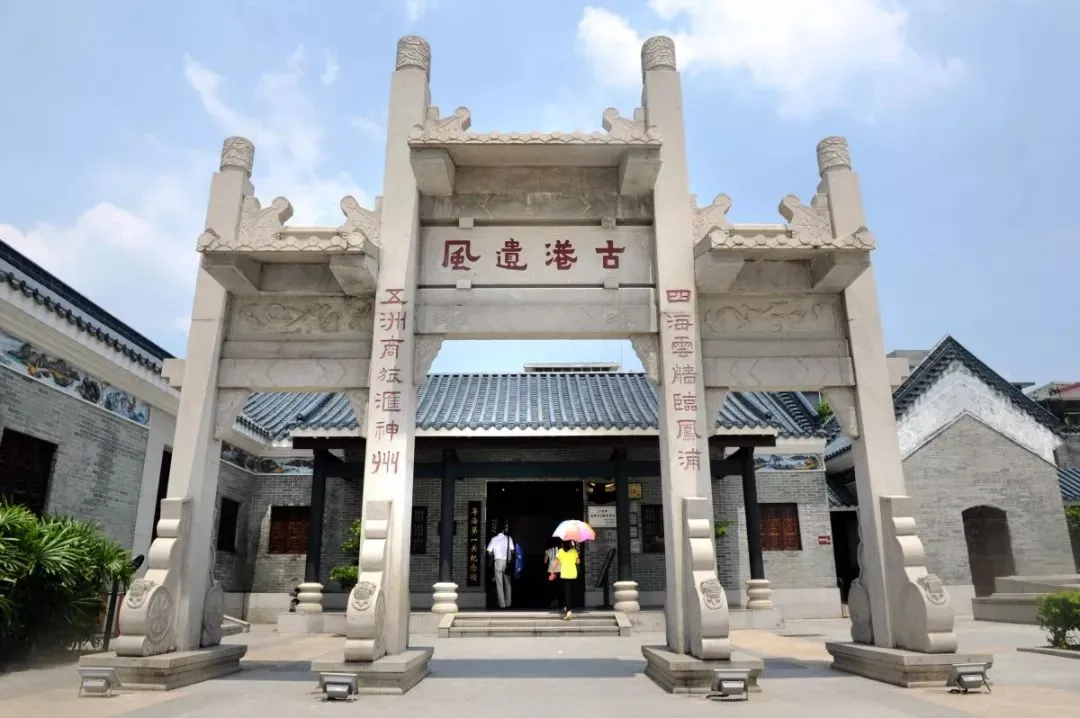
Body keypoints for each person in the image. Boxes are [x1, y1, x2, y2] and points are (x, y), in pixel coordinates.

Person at [486, 524, 515, 609]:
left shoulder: (494, 539)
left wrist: (494, 554)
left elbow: (489, 551)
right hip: (507, 563)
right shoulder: (509, 539)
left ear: (496, 531)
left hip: (498, 561)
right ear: (503, 530)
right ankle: (508, 602)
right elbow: (513, 551)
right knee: (508, 583)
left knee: (499, 583)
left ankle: (502, 604)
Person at [555, 539, 581, 620]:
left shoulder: (560, 551)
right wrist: (577, 554)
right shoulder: (574, 551)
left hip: (565, 574)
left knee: (567, 593)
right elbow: (578, 562)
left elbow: (556, 563)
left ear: (562, 544)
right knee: (571, 592)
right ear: (570, 544)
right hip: (573, 574)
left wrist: (552, 572)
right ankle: (568, 607)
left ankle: (568, 610)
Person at [544, 538, 561, 610]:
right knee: (558, 587)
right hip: (558, 570)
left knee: (551, 587)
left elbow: (545, 561)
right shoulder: (560, 550)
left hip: (550, 570)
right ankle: (558, 602)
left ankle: (552, 602)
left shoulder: (547, 550)